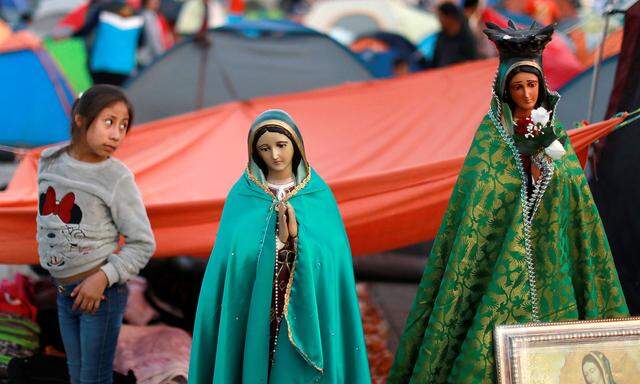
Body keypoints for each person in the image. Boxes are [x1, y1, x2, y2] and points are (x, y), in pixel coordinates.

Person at [388, 22, 628, 383]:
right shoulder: (489, 140)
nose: (527, 94)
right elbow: (480, 197)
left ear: (542, 85)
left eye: (532, 85)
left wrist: (545, 168)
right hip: (496, 265)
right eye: (518, 87)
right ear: (505, 90)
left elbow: (570, 187)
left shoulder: (553, 131)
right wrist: (519, 181)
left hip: (552, 258)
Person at [189, 109, 371, 383]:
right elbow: (233, 256)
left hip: (305, 300)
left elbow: (331, 254)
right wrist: (276, 240)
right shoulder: (243, 196)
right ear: (255, 152)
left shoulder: (317, 196)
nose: (275, 155)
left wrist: (297, 239)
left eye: (281, 145)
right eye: (265, 148)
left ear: (296, 146)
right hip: (256, 305)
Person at [37, 84, 156, 384]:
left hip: (100, 294)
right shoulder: (49, 162)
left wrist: (101, 278)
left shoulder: (116, 178)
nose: (117, 134)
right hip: (64, 293)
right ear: (80, 118)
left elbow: (143, 243)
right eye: (108, 122)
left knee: (93, 379)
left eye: (123, 125)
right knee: (76, 376)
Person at [430, 1, 478, 68]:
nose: (439, 20)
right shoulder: (441, 37)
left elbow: (473, 61)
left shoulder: (467, 38)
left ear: (449, 17)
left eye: (441, 16)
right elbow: (436, 61)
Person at [138, 0, 167, 67]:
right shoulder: (148, 16)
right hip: (148, 59)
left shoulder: (149, 14)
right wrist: (162, 57)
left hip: (148, 58)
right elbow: (153, 39)